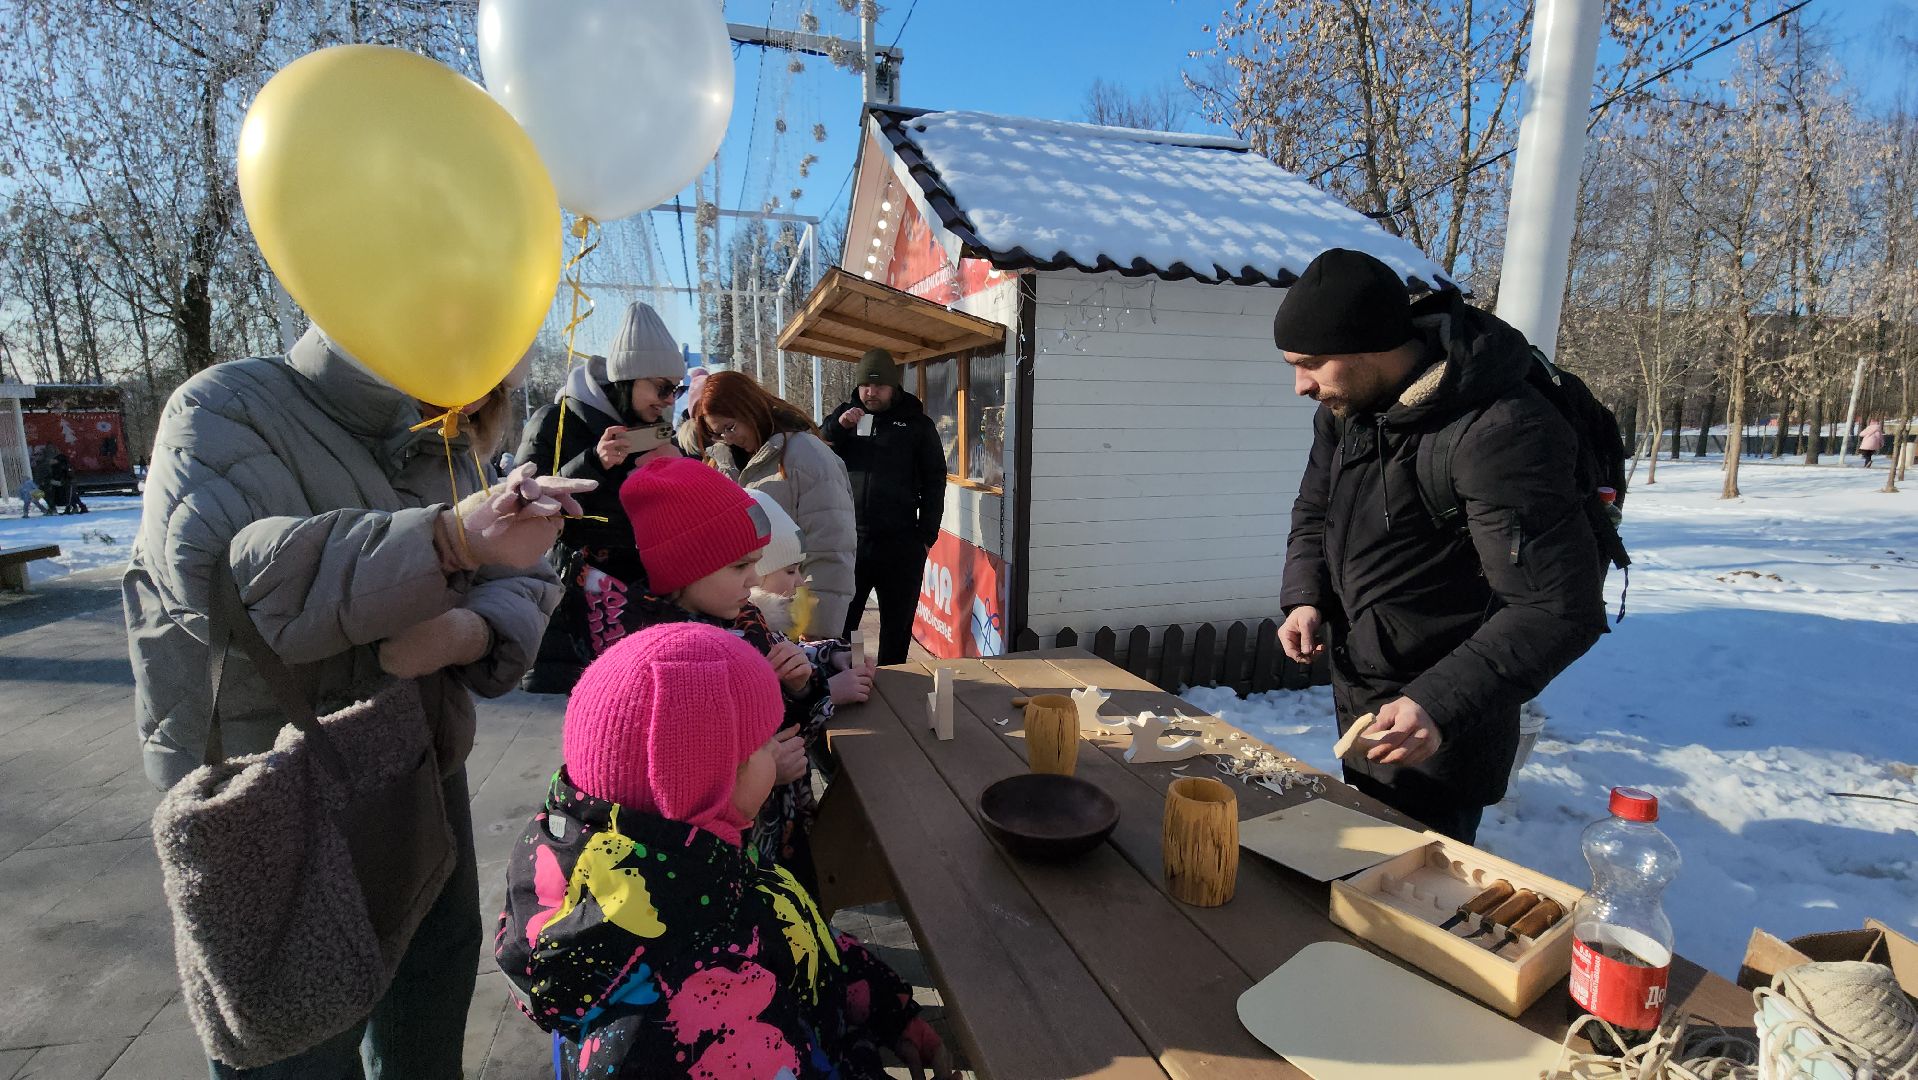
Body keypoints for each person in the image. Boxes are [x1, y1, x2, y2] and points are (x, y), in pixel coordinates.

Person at [124, 325, 586, 1077]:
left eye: (495, 387)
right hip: (274, 784)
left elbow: (521, 577)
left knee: (429, 997)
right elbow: (224, 581)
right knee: (297, 1037)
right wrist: (446, 543)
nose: (481, 402)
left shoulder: (450, 434)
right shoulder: (226, 404)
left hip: (417, 760)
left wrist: (475, 626)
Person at [495, 621, 946, 1079]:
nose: (779, 751)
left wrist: (889, 1008)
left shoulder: (682, 862)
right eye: (767, 741)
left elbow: (789, 934)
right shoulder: (697, 1017)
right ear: (709, 786)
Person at [1274, 248, 1606, 843]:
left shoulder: (1499, 431)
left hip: (1445, 715)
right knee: (1358, 856)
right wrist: (1307, 595)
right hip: (1366, 689)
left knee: (1416, 890)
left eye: (1310, 364)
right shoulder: (1349, 409)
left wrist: (1437, 704)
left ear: (1368, 344)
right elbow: (1315, 510)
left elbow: (1557, 607)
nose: (1300, 386)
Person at [614, 457, 871, 891]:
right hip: (731, 855)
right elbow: (683, 779)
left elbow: (781, 699)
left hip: (778, 820)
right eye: (739, 566)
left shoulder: (741, 616)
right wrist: (771, 761)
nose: (753, 577)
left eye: (754, 563)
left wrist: (810, 675)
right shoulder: (674, 656)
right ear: (685, 566)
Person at [515, 300, 687, 692]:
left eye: (675, 390)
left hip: (645, 598)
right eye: (662, 387)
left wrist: (679, 470)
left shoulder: (656, 430)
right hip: (577, 600)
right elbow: (522, 503)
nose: (669, 400)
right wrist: (593, 461)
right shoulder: (555, 421)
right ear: (628, 378)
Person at [690, 370, 856, 638]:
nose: (728, 438)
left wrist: (818, 632)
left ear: (750, 408)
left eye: (730, 427)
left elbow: (832, 547)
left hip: (796, 621)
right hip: (750, 623)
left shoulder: (806, 455)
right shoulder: (724, 463)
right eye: (718, 433)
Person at [823, 348, 946, 666]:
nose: (870, 392)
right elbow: (818, 445)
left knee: (896, 625)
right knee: (843, 622)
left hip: (901, 542)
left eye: (878, 385)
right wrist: (839, 426)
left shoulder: (917, 424)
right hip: (853, 541)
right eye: (865, 385)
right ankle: (845, 678)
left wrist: (926, 536)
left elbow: (935, 480)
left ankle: (893, 687)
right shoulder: (847, 416)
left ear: (893, 387)